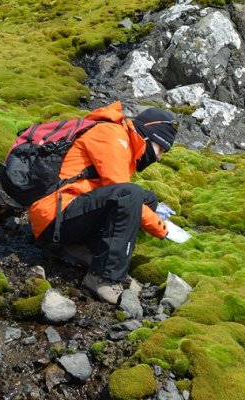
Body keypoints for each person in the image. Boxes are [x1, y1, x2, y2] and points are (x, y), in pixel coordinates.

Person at [28, 101, 178, 304]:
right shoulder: (112, 136)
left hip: (68, 212)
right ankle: (103, 278)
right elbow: (123, 192)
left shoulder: (121, 138)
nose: (159, 157)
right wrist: (163, 228)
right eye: (160, 149)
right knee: (131, 194)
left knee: (146, 197)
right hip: (54, 216)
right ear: (149, 136)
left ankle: (86, 250)